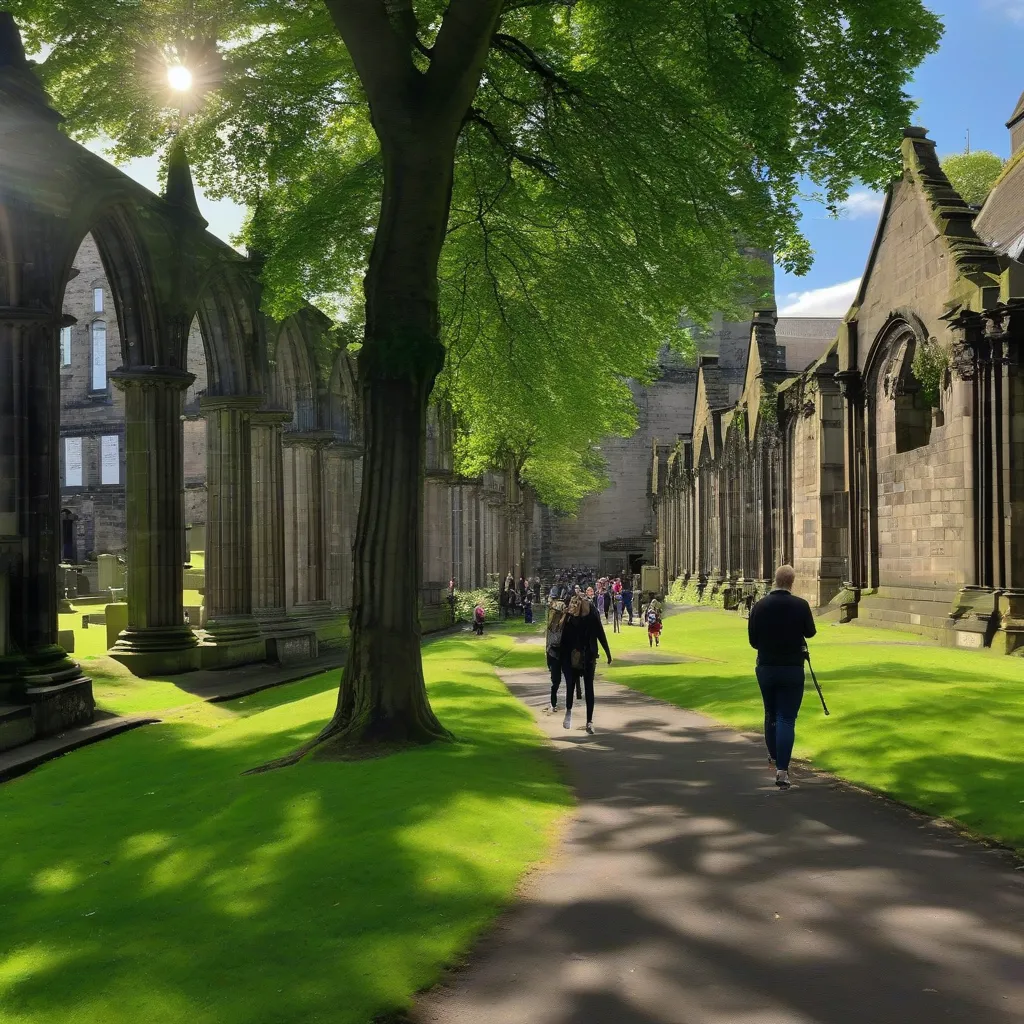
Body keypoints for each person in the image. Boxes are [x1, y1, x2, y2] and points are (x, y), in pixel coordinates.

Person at [747, 564, 816, 790]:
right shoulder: (801, 605)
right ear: (791, 582)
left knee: (770, 713)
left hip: (766, 667)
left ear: (775, 581)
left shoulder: (759, 606)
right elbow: (810, 632)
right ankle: (782, 770)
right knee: (787, 718)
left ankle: (775, 756)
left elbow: (753, 641)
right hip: (792, 668)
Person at [559, 593, 612, 734]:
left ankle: (569, 713)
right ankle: (589, 722)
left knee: (571, 684)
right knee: (589, 688)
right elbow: (601, 634)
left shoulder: (570, 616)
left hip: (574, 656)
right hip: (589, 656)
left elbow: (563, 639)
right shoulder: (592, 614)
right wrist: (607, 653)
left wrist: (560, 658)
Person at [545, 598, 568, 711]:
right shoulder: (551, 626)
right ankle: (553, 703)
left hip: (563, 654)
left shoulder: (566, 624)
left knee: (567, 679)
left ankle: (566, 703)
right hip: (554, 654)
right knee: (556, 681)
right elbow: (549, 644)